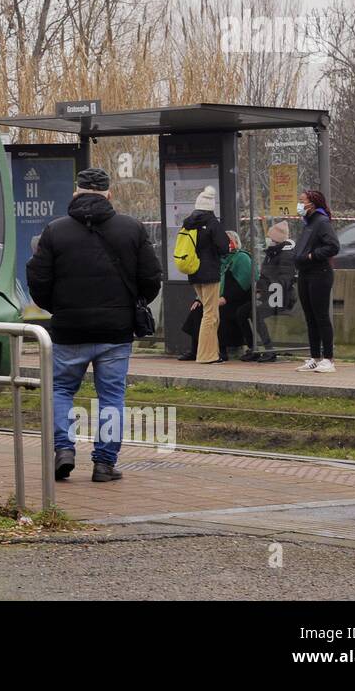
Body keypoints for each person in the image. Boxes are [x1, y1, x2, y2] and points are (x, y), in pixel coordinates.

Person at [27, 167, 161, 483]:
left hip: (69, 329)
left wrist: (57, 307)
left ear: (76, 193)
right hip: (116, 331)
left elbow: (38, 279)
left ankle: (63, 450)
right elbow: (151, 278)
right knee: (112, 397)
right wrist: (132, 305)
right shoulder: (131, 229)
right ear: (108, 194)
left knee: (60, 389)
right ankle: (104, 464)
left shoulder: (55, 231)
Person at [181, 186, 230, 364]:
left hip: (194, 272)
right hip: (209, 273)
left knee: (211, 313)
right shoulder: (212, 223)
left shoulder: (189, 222)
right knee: (210, 314)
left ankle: (212, 352)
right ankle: (206, 355)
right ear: (211, 206)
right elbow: (224, 247)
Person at [292, 188, 339, 372]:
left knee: (321, 316)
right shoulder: (308, 223)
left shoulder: (321, 222)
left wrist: (312, 256)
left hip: (320, 273)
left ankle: (328, 359)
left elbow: (333, 246)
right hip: (305, 274)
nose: (300, 204)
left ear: (312, 203)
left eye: (302, 200)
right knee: (310, 317)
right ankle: (314, 356)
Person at [252, 220, 296, 361]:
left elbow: (284, 280)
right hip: (269, 295)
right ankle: (253, 347)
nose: (268, 240)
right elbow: (265, 275)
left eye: (270, 238)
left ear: (276, 240)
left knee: (256, 314)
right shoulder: (272, 254)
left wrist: (266, 287)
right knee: (242, 311)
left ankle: (269, 349)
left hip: (281, 298)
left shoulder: (285, 256)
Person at [218, 230, 257, 360]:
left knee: (222, 312)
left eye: (230, 241)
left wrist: (226, 298)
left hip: (240, 297)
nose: (227, 244)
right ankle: (197, 349)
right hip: (224, 297)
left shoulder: (242, 257)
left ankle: (223, 350)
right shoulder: (221, 259)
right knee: (197, 311)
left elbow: (244, 282)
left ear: (236, 242)